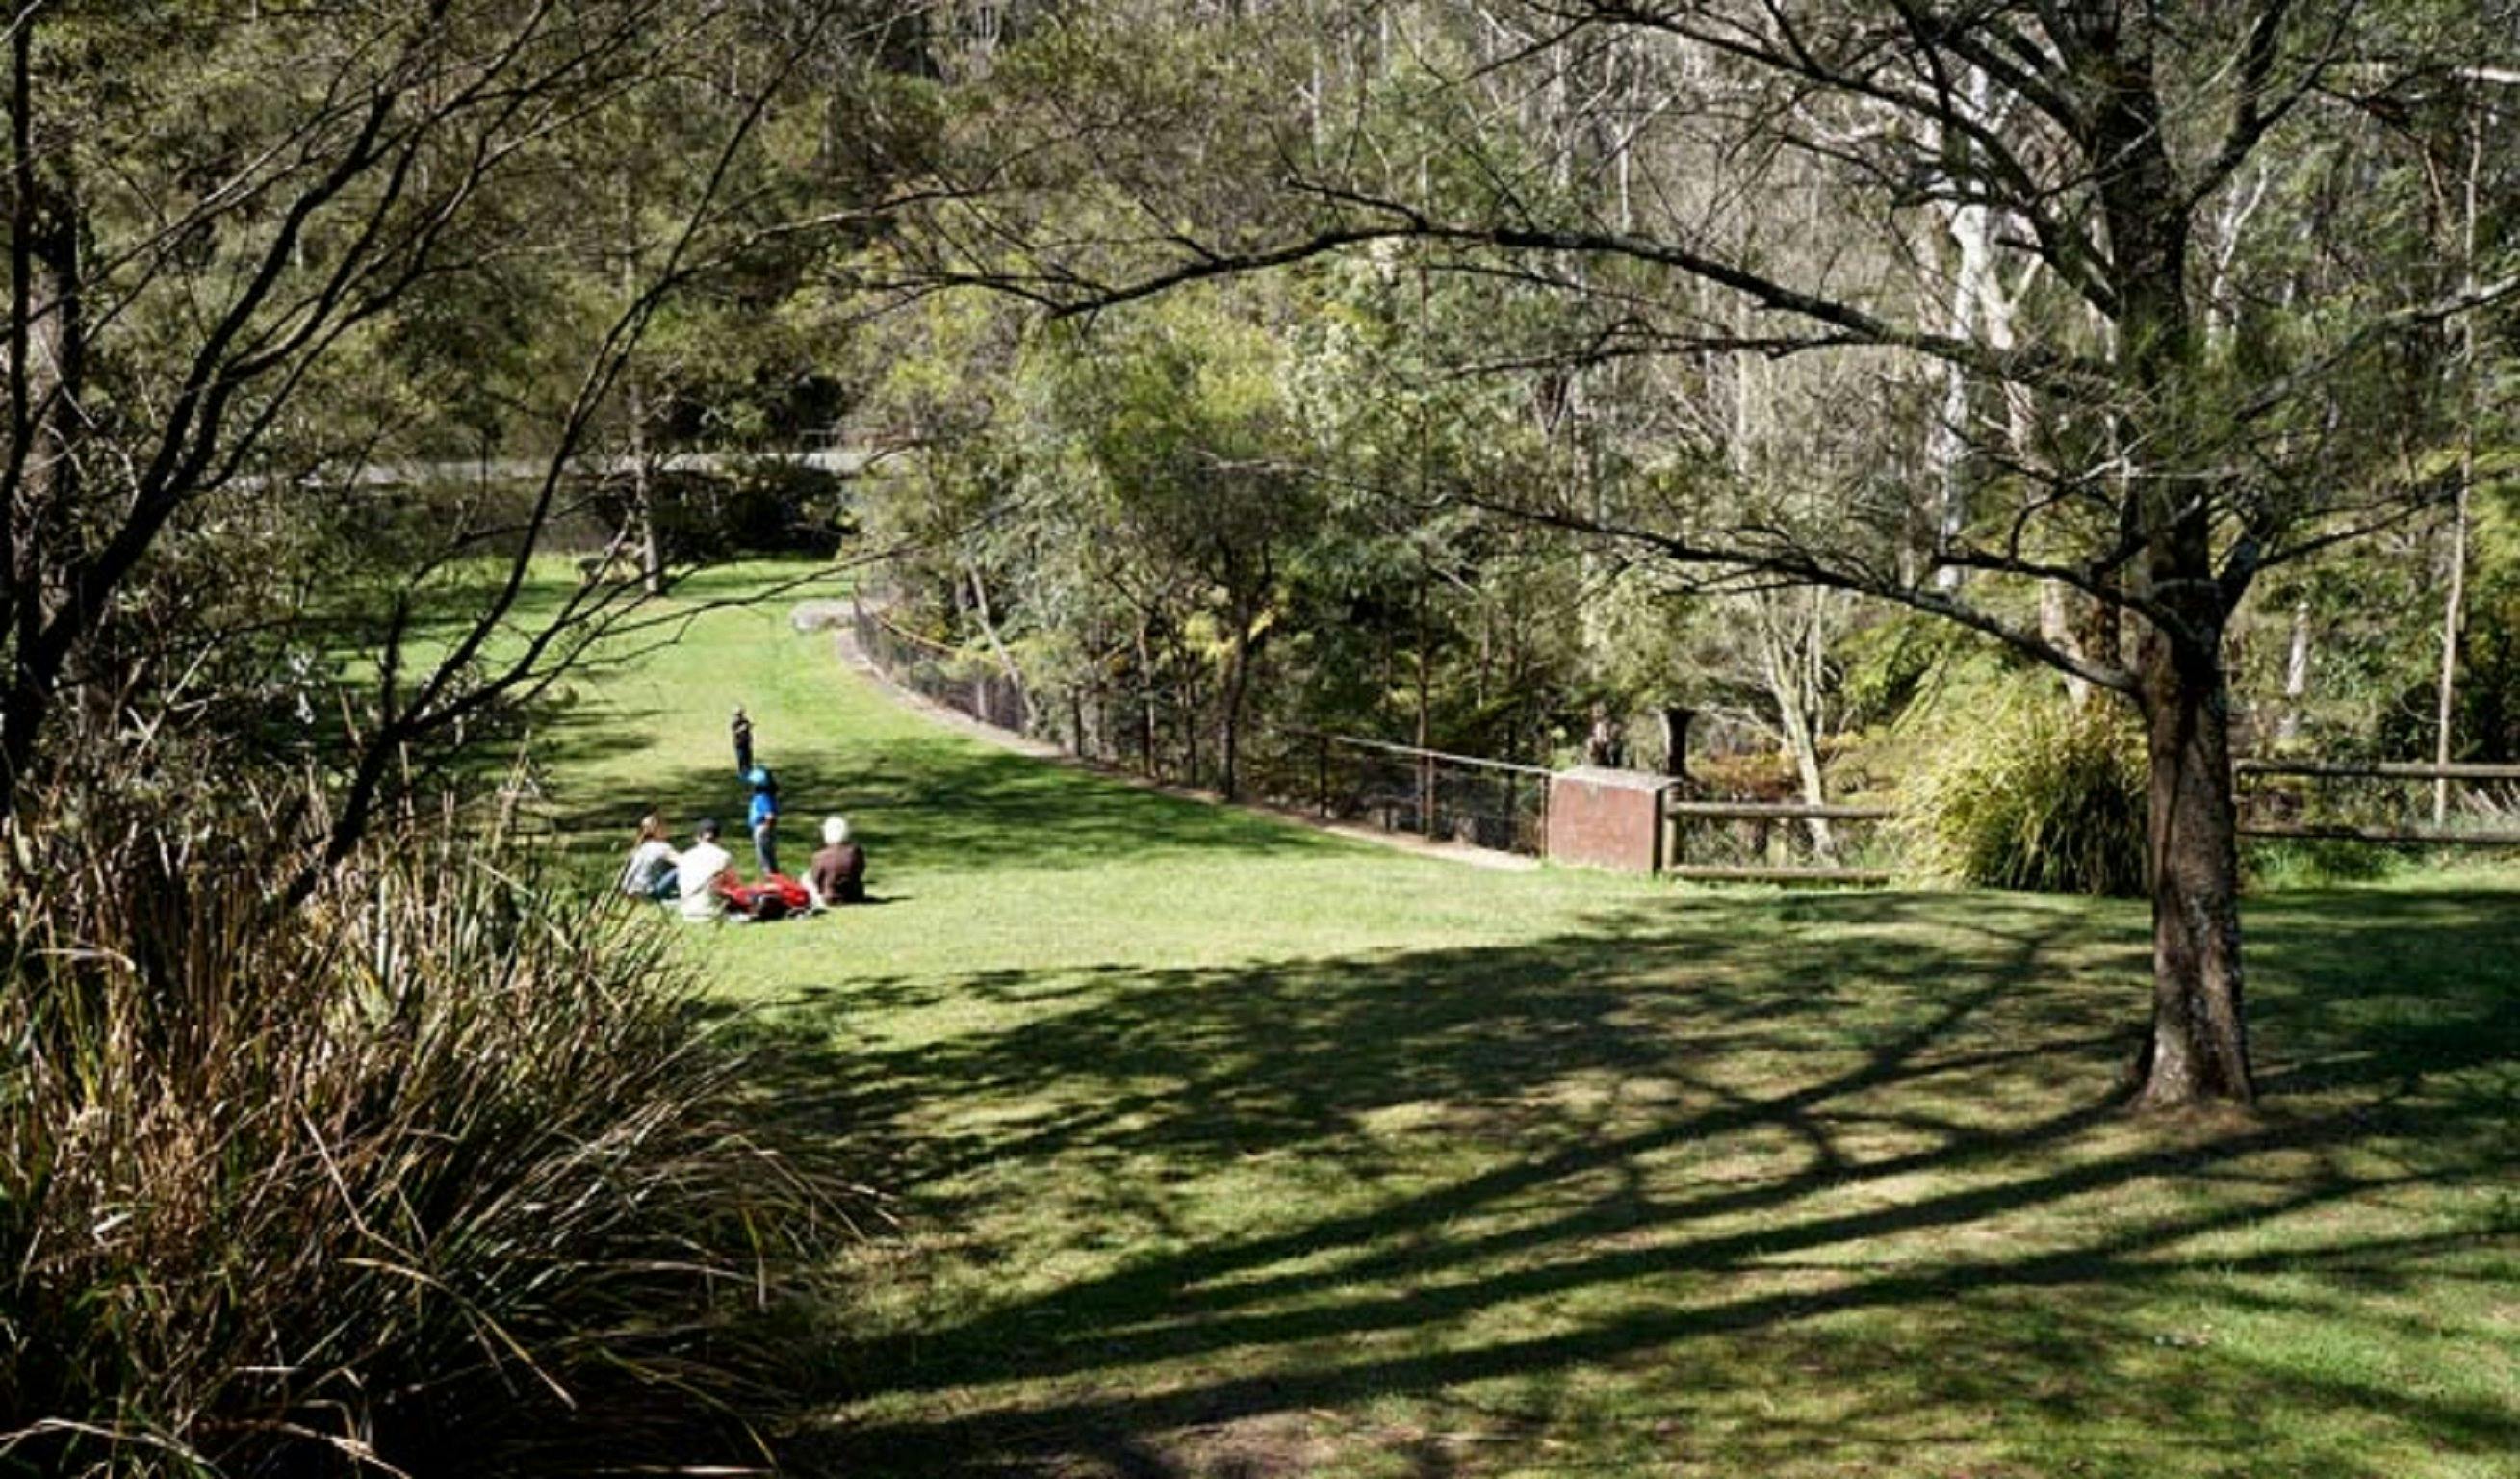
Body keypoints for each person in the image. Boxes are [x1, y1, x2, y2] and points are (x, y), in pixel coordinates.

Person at [676, 817, 737, 922]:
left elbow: (679, 883)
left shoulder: (685, 856)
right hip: (713, 912)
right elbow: (734, 886)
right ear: (718, 838)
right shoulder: (724, 856)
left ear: (697, 838)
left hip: (687, 912)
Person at [618, 813, 680, 901]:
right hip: (647, 892)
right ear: (657, 830)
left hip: (629, 890)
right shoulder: (662, 847)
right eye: (665, 826)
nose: (669, 829)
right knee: (680, 869)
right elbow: (684, 862)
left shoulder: (640, 847)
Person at [808, 815, 866, 908]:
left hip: (830, 898)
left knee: (806, 877)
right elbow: (861, 870)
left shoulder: (819, 856)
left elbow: (815, 880)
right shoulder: (856, 852)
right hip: (855, 896)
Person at [746, 766, 780, 875]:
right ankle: (775, 878)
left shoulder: (762, 797)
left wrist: (765, 829)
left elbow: (769, 816)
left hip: (762, 828)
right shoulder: (768, 795)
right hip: (767, 828)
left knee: (764, 859)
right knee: (770, 857)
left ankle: (770, 880)